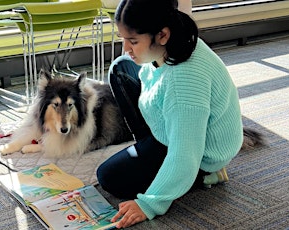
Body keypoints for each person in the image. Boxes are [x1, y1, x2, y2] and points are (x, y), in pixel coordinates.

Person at [96, 0, 244, 228]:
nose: (126, 47)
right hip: (182, 128)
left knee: (109, 176)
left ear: (162, 35)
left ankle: (203, 175)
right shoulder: (178, 39)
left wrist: (149, 204)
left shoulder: (182, 85)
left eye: (133, 41)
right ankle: (150, 148)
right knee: (121, 68)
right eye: (123, 38)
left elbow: (185, 155)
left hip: (203, 153)